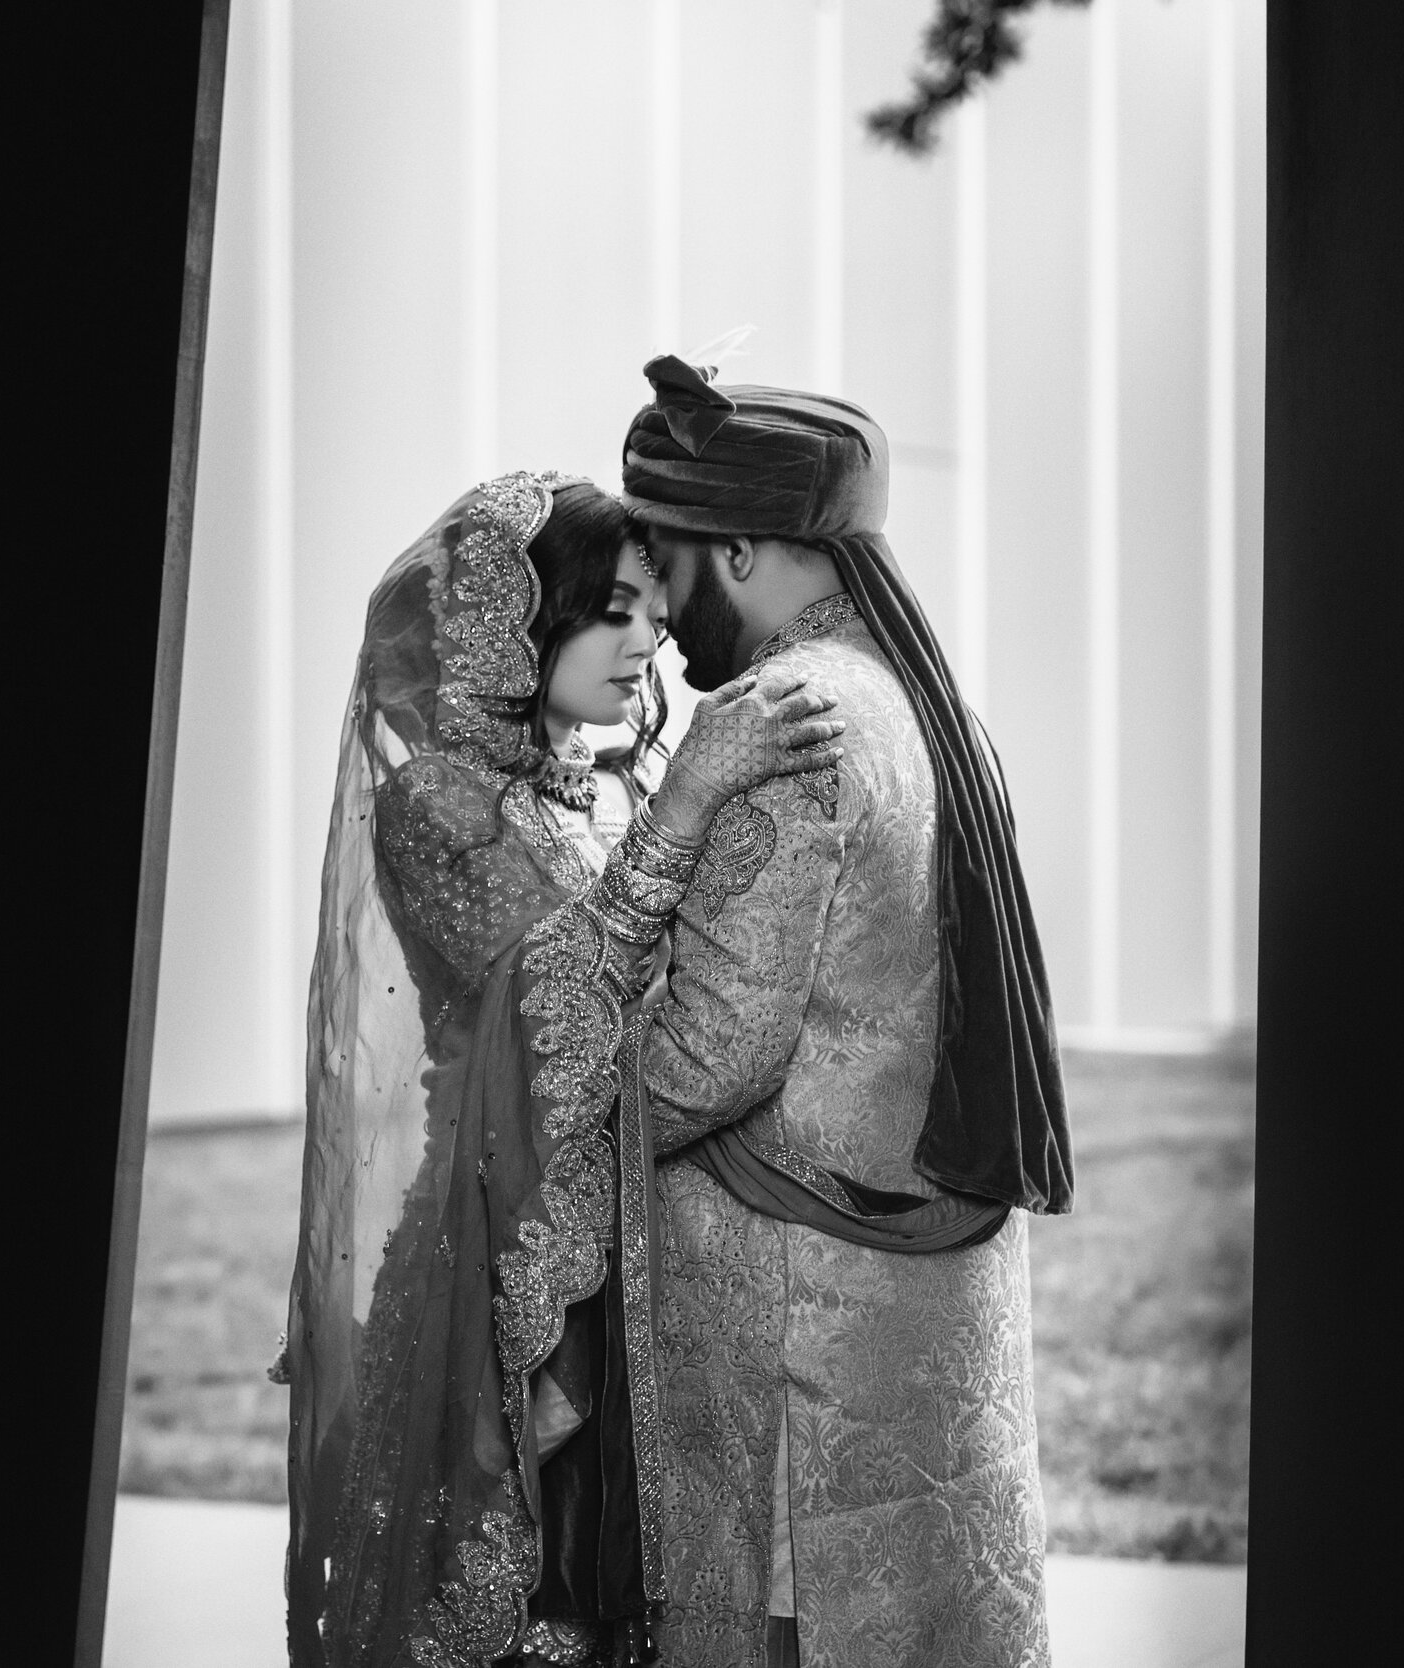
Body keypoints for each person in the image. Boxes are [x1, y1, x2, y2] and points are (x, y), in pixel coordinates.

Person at [280, 471, 848, 1668]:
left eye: (651, 608)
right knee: (523, 1599)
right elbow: (546, 1008)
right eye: (614, 611)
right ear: (515, 623)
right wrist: (693, 795)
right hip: (499, 1247)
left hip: (643, 1240)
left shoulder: (614, 785)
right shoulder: (433, 804)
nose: (649, 640)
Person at [618, 356, 1072, 1668]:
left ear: (749, 548)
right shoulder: (928, 704)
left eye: (667, 550)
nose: (651, 593)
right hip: (914, 1312)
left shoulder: (783, 716)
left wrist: (530, 1109)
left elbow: (710, 1055)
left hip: (791, 1333)